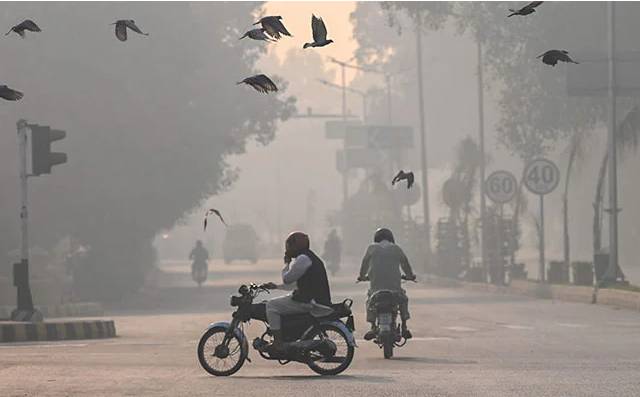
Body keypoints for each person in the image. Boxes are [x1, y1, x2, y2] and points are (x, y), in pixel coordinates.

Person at [263, 231, 333, 354]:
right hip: (313, 299)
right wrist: (276, 287)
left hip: (310, 302)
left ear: (296, 246)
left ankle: (278, 343)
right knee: (282, 301)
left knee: (271, 306)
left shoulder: (303, 259)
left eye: (289, 246)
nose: (287, 249)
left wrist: (286, 263)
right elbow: (298, 284)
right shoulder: (309, 257)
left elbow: (287, 278)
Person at [358, 227, 416, 341]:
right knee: (403, 300)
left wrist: (362, 276)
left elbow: (364, 264)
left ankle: (373, 327)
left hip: (376, 291)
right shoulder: (396, 249)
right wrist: (410, 276)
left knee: (370, 302)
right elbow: (405, 264)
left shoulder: (371, 249)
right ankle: (404, 327)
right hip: (394, 290)